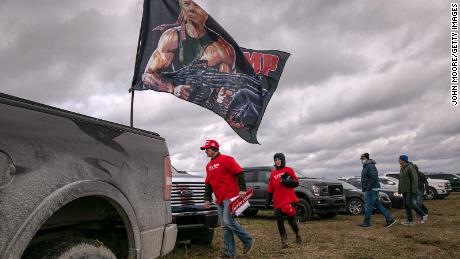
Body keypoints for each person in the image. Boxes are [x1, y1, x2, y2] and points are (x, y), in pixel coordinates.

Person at [141, 0, 236, 113]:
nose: (190, 9)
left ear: (206, 14)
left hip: (202, 115)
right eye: (186, 4)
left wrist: (223, 99)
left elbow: (226, 93)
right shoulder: (171, 38)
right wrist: (171, 88)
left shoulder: (223, 50)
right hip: (168, 106)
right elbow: (147, 75)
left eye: (196, 5)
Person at [201, 140, 254, 258]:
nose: (205, 151)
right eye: (205, 149)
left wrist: (242, 189)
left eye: (207, 149)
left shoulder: (226, 159)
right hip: (219, 199)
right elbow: (208, 184)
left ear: (214, 148)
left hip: (230, 196)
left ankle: (248, 240)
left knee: (228, 221)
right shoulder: (208, 166)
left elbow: (240, 172)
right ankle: (229, 253)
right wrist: (207, 198)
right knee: (224, 226)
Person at [265, 153, 302, 248]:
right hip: (277, 202)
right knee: (280, 223)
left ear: (282, 160)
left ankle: (297, 234)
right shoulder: (273, 173)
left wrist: (286, 181)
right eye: (275, 160)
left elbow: (296, 183)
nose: (277, 161)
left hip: (289, 200)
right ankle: (284, 242)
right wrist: (267, 201)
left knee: (291, 222)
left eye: (278, 159)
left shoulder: (289, 170)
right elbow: (270, 189)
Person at [359, 153, 396, 228]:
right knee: (378, 205)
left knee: (368, 205)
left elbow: (374, 178)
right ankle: (390, 220)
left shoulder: (370, 166)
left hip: (371, 189)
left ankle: (366, 223)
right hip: (371, 188)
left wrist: (368, 188)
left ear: (366, 158)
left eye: (362, 159)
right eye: (361, 159)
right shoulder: (366, 166)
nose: (361, 160)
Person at [398, 154, 428, 225]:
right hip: (404, 190)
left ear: (403, 160)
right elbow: (401, 180)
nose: (399, 161)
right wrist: (399, 189)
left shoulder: (410, 168)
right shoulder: (402, 168)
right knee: (406, 205)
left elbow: (414, 179)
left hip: (410, 190)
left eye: (400, 159)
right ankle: (410, 221)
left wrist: (414, 190)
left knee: (410, 204)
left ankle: (423, 214)